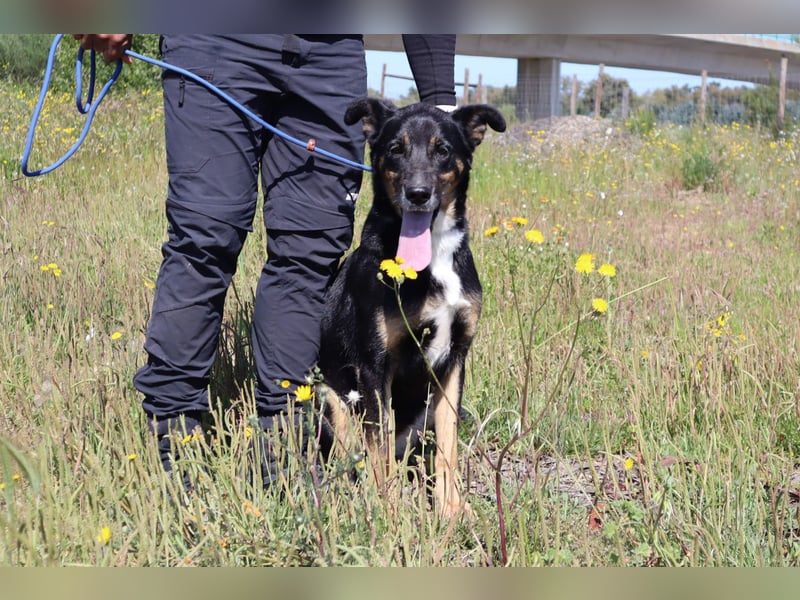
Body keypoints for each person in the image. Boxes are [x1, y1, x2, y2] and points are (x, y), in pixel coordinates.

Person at [74, 34, 457, 485]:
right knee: (205, 237)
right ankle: (174, 437)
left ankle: (285, 440)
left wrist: (440, 100)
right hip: (216, 33)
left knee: (311, 249)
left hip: (328, 56)